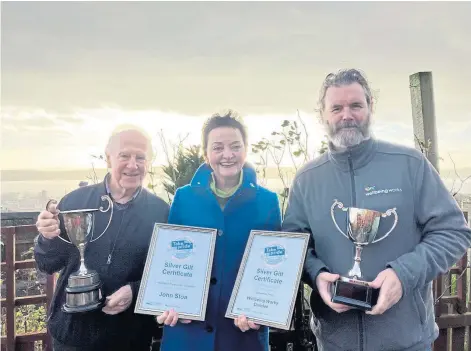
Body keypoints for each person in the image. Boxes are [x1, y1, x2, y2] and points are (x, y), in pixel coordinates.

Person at [282, 69, 471, 351]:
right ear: (322, 114)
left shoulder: (409, 164)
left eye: (356, 105)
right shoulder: (307, 179)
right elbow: (294, 246)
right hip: (334, 342)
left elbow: (453, 233)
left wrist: (402, 275)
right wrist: (318, 275)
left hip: (406, 341)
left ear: (370, 106)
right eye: (336, 107)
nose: (347, 115)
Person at [34, 125, 170, 350]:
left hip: (129, 338)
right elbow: (47, 263)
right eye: (124, 156)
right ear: (109, 159)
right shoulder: (74, 202)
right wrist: (47, 238)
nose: (133, 165)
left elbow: (164, 274)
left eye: (141, 157)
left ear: (149, 163)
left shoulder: (160, 212)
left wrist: (134, 291)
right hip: (72, 338)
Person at [156, 111, 282, 351]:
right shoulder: (184, 198)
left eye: (235, 146)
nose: (227, 155)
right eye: (218, 148)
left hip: (243, 336)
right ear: (206, 153)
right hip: (187, 334)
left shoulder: (267, 201)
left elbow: (274, 265)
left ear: (246, 149)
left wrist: (262, 313)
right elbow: (169, 263)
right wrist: (168, 303)